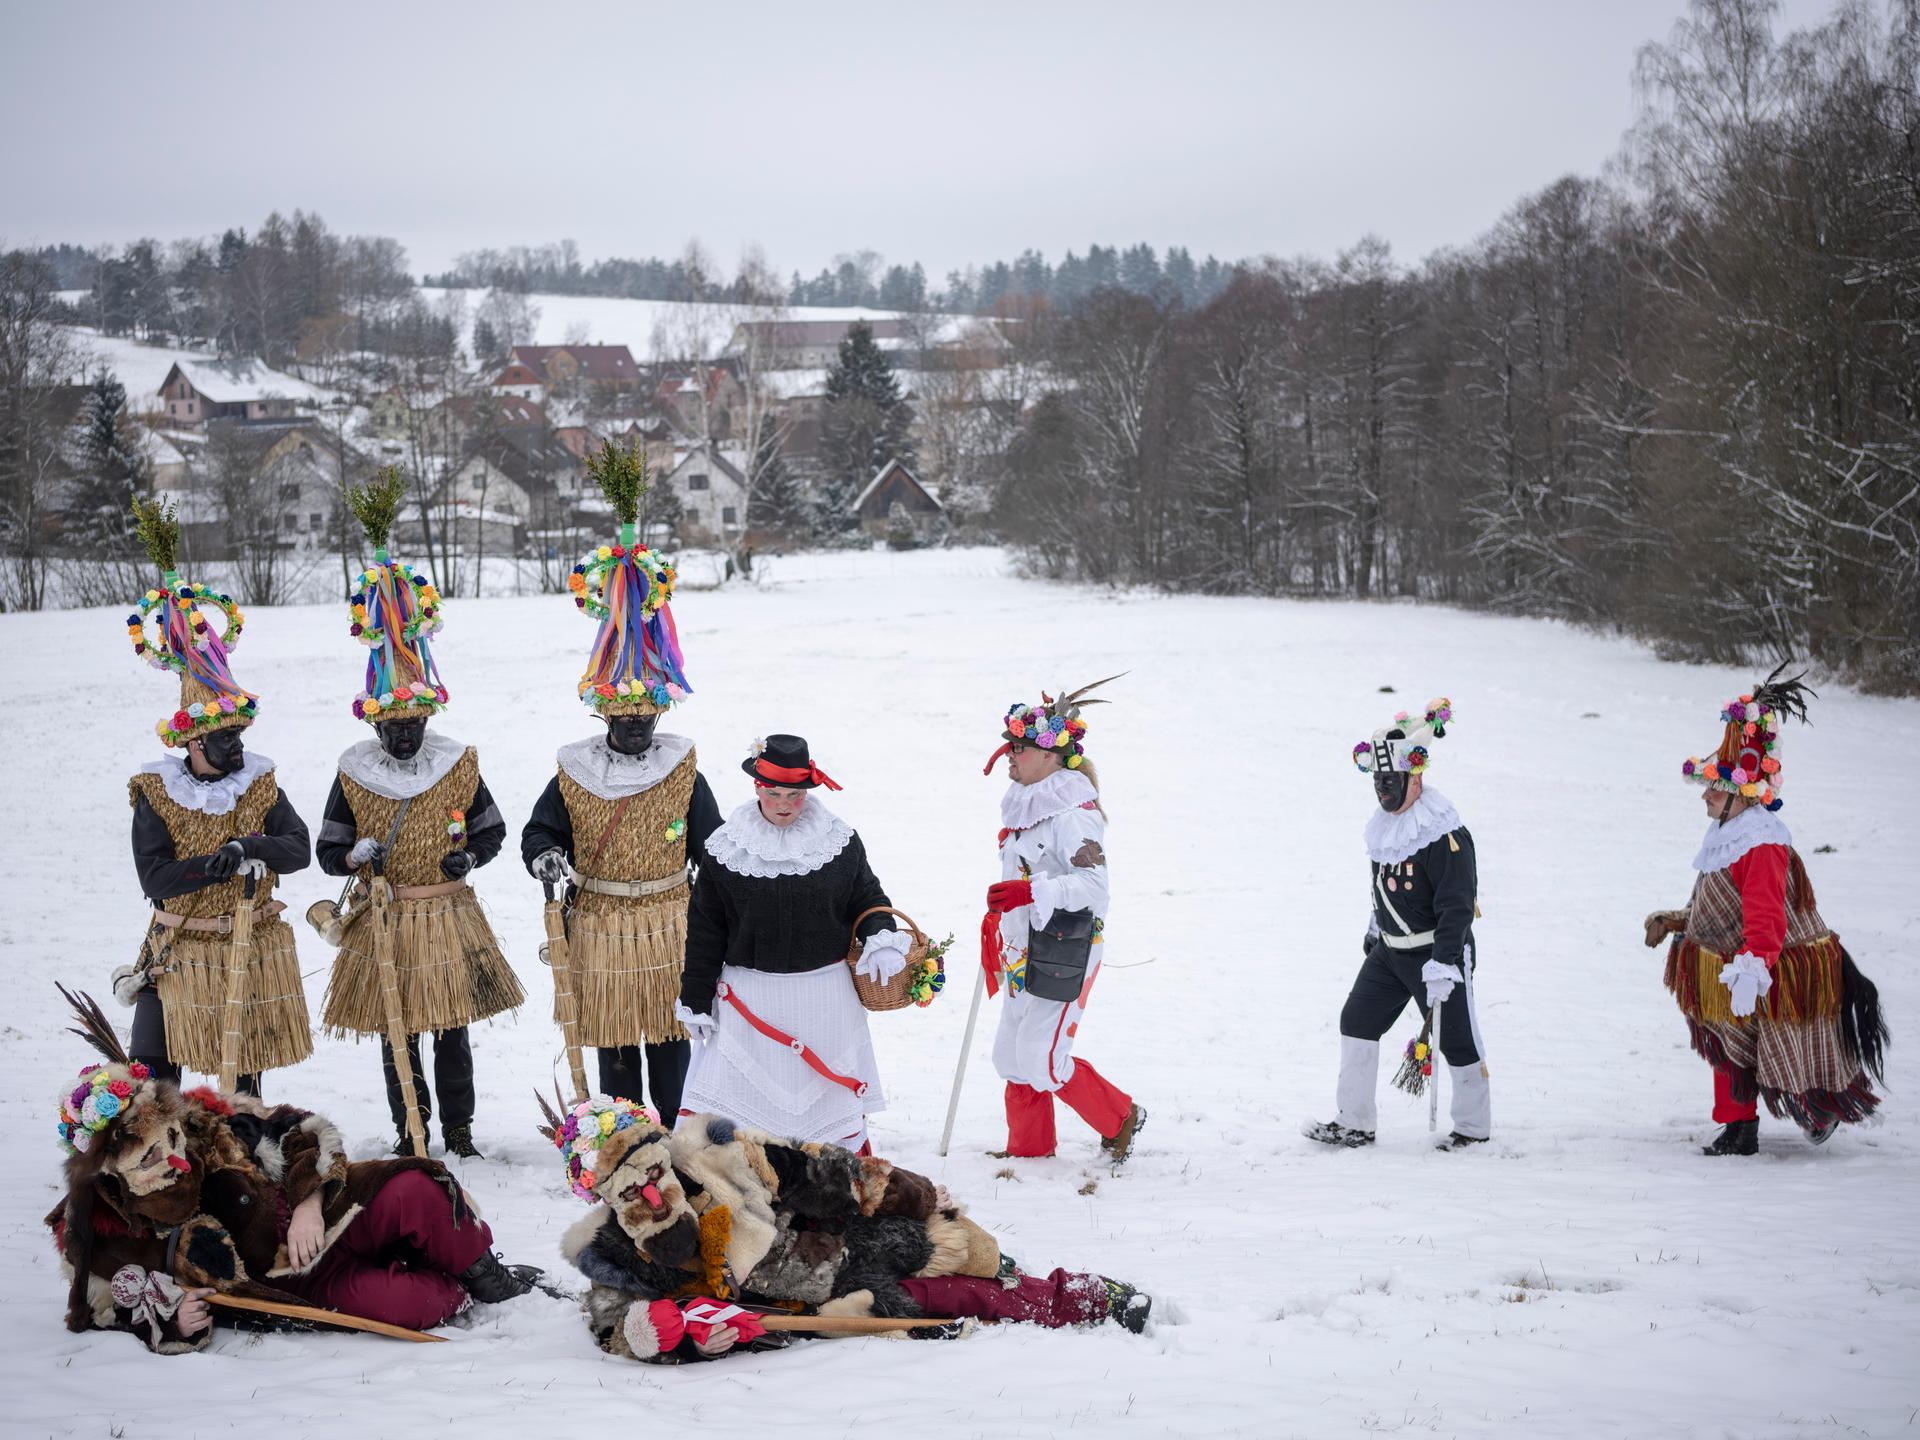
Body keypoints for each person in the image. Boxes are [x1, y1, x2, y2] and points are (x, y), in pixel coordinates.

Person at [46, 988, 538, 1354]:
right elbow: (105, 1307)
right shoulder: (97, 1225)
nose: (174, 1158)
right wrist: (173, 1322)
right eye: (150, 1158)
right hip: (288, 1277)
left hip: (328, 1215)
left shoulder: (203, 1118)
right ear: (113, 1169)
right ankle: (450, 1274)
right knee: (412, 1308)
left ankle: (490, 1277)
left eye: (171, 1140)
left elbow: (302, 1129)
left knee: (418, 1188)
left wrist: (309, 1202)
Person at [542, 1096, 1152, 1363]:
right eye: (629, 1188)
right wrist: (644, 1332)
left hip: (837, 1241)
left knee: (965, 1253)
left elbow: (810, 1165)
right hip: (824, 1304)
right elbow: (609, 1317)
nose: (651, 1191)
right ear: (602, 1195)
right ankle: (1060, 1301)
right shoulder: (613, 1250)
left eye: (651, 1167)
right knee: (947, 1298)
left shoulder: (717, 1153)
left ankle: (1077, 1297)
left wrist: (896, 1190)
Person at [317, 469, 523, 1158]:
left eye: (412, 726)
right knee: (394, 1030)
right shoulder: (354, 771)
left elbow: (491, 828)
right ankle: (413, 1129)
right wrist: (352, 859)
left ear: (427, 718)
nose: (403, 737)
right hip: (387, 918)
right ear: (377, 728)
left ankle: (459, 1132)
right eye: (392, 729)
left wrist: (472, 858)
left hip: (447, 913)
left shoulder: (457, 763)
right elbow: (328, 848)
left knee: (453, 1028)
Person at [521, 446, 721, 1119]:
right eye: (623, 717)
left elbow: (712, 845)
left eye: (645, 717)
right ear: (603, 712)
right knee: (612, 1042)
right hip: (602, 922)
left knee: (670, 1037)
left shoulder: (683, 767)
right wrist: (544, 854)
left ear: (658, 712)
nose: (635, 728)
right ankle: (620, 1133)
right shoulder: (576, 769)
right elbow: (543, 826)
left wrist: (722, 909)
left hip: (669, 921)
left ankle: (677, 1130)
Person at [113, 497, 312, 1094]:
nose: (236, 749)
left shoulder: (259, 783)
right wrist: (211, 866)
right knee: (155, 1073)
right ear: (193, 743)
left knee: (242, 1083)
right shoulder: (156, 792)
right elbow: (155, 878)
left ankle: (241, 1164)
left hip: (245, 946)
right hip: (177, 947)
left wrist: (246, 845)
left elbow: (297, 848)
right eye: (223, 741)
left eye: (238, 737)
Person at [1644, 669, 1888, 1155]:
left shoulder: (1761, 843)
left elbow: (1765, 914)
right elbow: (1716, 900)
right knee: (1724, 1041)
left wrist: (1755, 966)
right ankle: (1739, 1127)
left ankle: (1820, 1111)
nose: (1705, 794)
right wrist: (1677, 918)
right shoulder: (1727, 833)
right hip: (1730, 961)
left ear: (1742, 793)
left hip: (1773, 962)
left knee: (1789, 1053)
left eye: (1714, 786)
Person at [675, 736, 906, 1152]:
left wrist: (881, 936)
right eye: (774, 793)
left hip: (824, 1002)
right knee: (744, 1122)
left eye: (795, 795)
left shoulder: (838, 841)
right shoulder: (727, 848)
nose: (784, 804)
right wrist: (695, 996)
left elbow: (867, 897)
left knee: (828, 1127)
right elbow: (706, 929)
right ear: (757, 789)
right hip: (750, 1001)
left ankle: (831, 1198)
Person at [1306, 697, 1491, 1150]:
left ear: (1415, 776)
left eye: (1390, 780)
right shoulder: (1386, 827)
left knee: (1459, 1042)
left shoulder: (1443, 833)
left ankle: (1473, 1128)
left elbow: (1457, 905)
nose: (1382, 789)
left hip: (1435, 956)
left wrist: (1446, 962)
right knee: (1357, 1020)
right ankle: (1355, 1122)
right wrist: (1376, 927)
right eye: (1377, 780)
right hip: (1390, 952)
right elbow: (1383, 883)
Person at [980, 679, 1145, 1162]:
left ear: (1050, 755)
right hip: (1020, 948)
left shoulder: (1073, 814)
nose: (1008, 755)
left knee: (1042, 1059)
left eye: (1019, 747)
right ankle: (1029, 1152)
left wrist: (1030, 892)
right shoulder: (1027, 805)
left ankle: (1120, 1116)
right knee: (1010, 1057)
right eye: (1010, 746)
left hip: (1064, 949)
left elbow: (1095, 890)